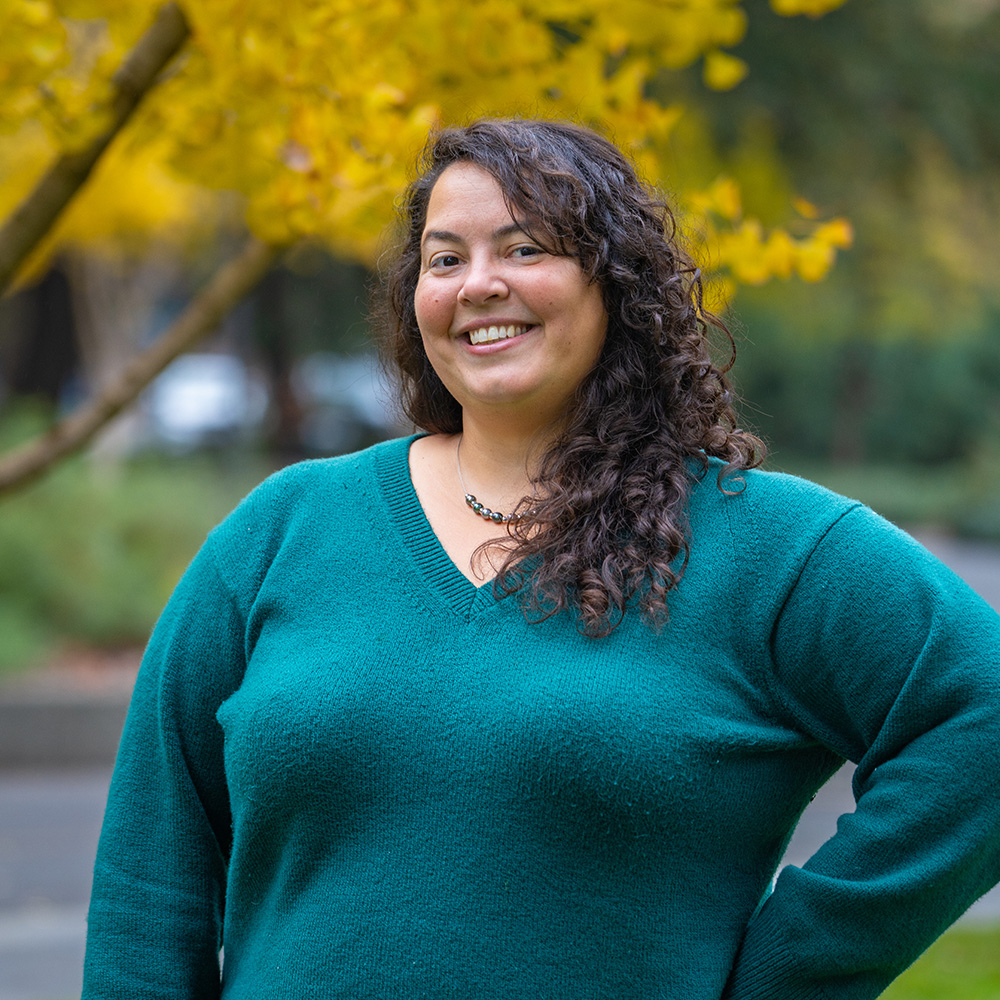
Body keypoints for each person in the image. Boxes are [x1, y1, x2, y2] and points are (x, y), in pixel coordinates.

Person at [83, 118, 1000, 1000]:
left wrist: (793, 972)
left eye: (525, 248)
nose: (479, 283)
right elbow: (148, 879)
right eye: (446, 258)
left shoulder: (769, 548)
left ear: (617, 284)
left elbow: (983, 717)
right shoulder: (282, 529)